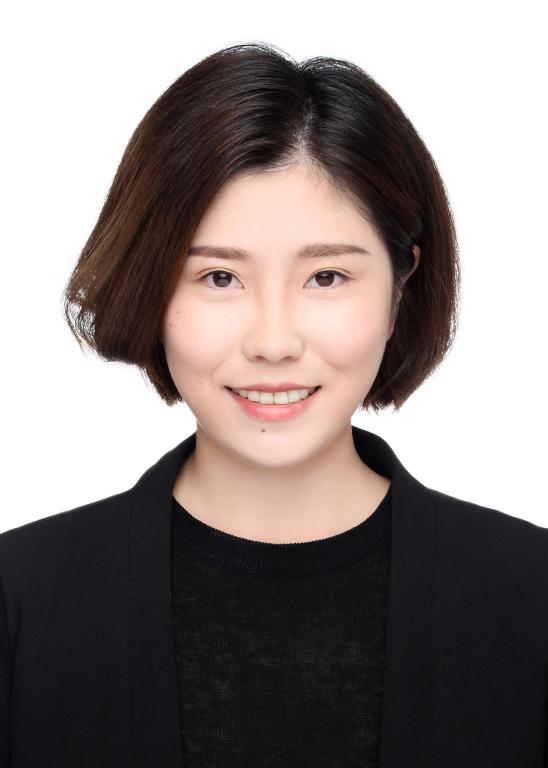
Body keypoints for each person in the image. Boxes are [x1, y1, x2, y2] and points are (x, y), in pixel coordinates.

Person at [1, 42, 547, 767]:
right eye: (219, 278)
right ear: (151, 286)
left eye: (326, 277)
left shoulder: (532, 596)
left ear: (400, 286)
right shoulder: (20, 599)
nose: (272, 342)